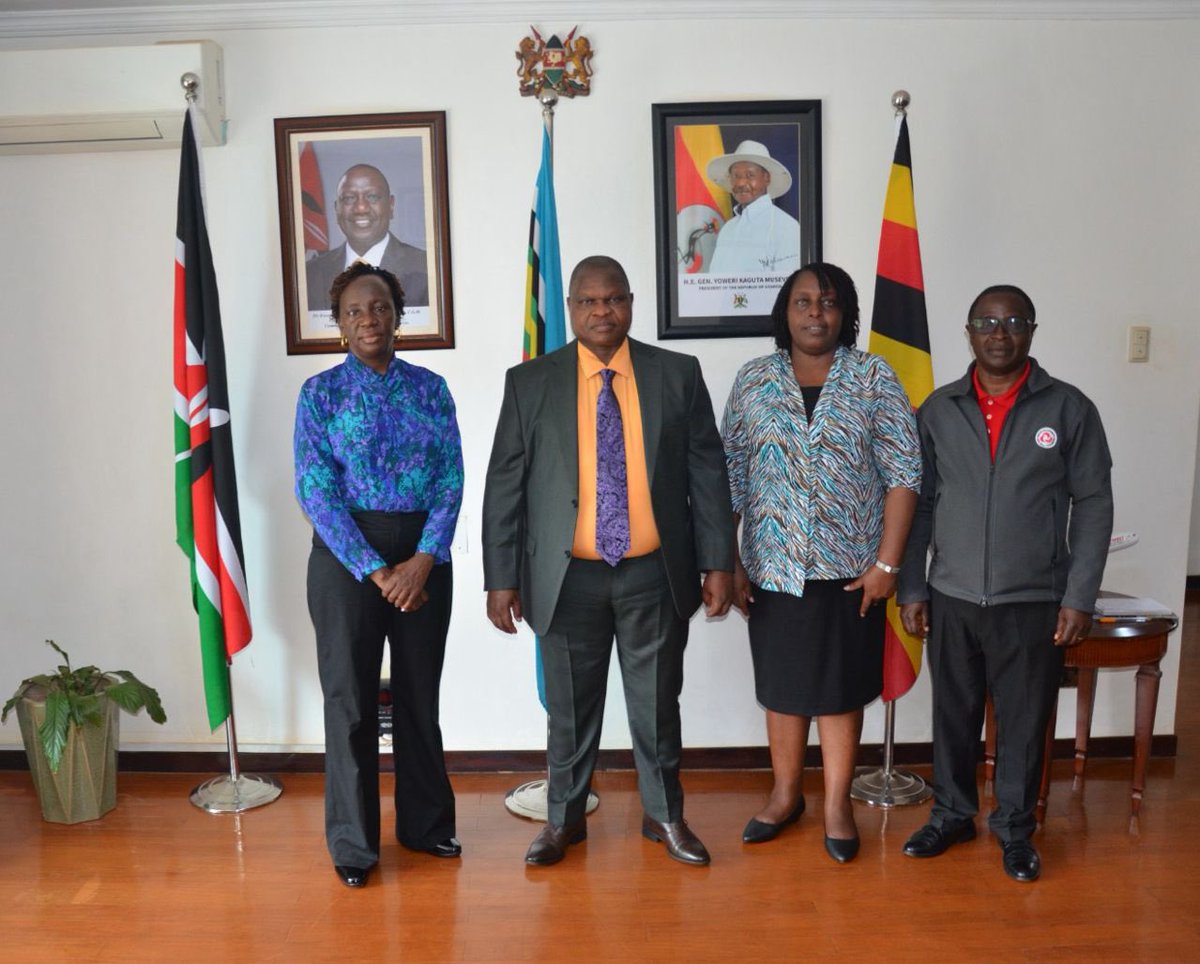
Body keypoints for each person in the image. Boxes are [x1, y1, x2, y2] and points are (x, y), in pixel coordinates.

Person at [482, 255, 735, 867]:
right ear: (570, 309)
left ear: (631, 302)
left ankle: (665, 816)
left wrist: (719, 561)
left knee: (656, 705)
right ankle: (563, 822)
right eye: (589, 302)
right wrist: (501, 578)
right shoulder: (531, 382)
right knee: (569, 712)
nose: (603, 312)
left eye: (615, 299)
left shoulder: (677, 373)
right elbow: (505, 485)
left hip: (654, 570)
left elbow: (707, 472)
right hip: (566, 577)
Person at [897, 284, 1113, 883]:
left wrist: (1079, 596)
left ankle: (1016, 830)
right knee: (955, 713)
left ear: (1032, 330)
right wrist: (913, 585)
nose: (999, 333)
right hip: (953, 594)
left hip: (1033, 599)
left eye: (1013, 321)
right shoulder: (939, 409)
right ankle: (952, 815)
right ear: (968, 332)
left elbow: (1093, 504)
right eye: (986, 322)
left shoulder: (1069, 409)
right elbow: (921, 505)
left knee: (1022, 719)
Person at [722, 262, 922, 864]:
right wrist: (728, 561)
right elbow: (729, 474)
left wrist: (887, 566)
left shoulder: (872, 378)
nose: (815, 313)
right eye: (803, 301)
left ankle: (835, 803)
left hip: (850, 569)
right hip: (772, 566)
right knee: (783, 690)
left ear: (845, 314)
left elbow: (904, 474)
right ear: (784, 312)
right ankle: (785, 795)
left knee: (838, 692)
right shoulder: (754, 380)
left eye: (828, 302)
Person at [294, 262, 463, 889]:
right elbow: (314, 489)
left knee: (420, 700)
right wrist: (374, 569)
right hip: (346, 564)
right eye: (356, 311)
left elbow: (451, 477)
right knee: (351, 705)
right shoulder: (320, 395)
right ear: (340, 325)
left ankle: (426, 828)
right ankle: (353, 846)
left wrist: (421, 560)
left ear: (399, 315)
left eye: (382, 308)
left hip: (424, 560)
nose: (370, 319)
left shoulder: (431, 389)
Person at [305, 163, 429, 310]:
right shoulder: (310, 274)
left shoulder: (426, 267)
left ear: (391, 205)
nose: (361, 208)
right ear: (337, 209)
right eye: (349, 198)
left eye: (372, 197)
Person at [705, 140, 801, 275]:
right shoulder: (728, 229)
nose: (741, 183)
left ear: (766, 178)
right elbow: (714, 282)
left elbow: (787, 289)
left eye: (750, 175)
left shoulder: (786, 227)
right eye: (735, 176)